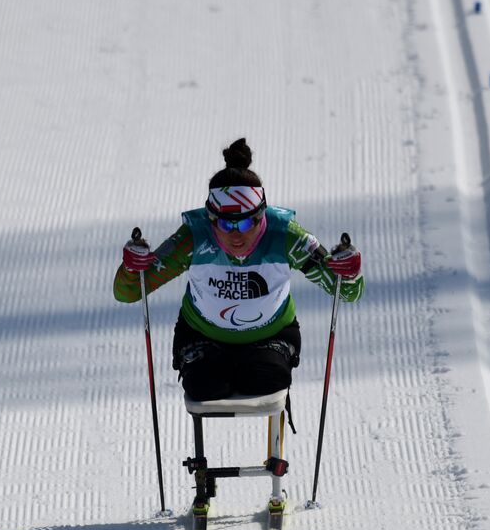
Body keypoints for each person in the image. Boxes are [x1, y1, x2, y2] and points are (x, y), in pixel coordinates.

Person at [113, 138, 364, 402]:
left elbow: (346, 292)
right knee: (204, 387)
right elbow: (128, 292)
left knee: (265, 381)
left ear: (262, 216)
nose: (235, 235)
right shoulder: (194, 237)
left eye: (245, 224)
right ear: (210, 218)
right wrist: (133, 267)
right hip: (202, 336)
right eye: (224, 223)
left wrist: (347, 270)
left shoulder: (286, 235)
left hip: (270, 336)